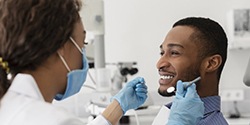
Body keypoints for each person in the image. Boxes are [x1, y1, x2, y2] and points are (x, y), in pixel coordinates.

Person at [0, 0, 205, 124]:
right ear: (61, 46)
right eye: (83, 43)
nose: (83, 53)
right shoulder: (51, 119)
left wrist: (117, 108)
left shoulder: (11, 106)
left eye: (175, 52)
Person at [155, 17, 229, 124]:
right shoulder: (174, 114)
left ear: (211, 63)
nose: (160, 64)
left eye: (174, 53)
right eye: (162, 53)